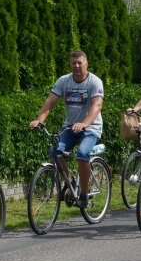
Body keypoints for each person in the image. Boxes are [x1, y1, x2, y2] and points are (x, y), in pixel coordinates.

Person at [29, 51, 104, 209]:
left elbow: (97, 105)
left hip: (91, 127)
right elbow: (49, 102)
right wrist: (39, 120)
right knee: (54, 152)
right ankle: (69, 180)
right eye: (73, 63)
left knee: (82, 154)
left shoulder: (94, 82)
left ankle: (83, 195)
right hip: (70, 127)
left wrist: (84, 123)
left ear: (86, 64)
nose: (76, 66)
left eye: (79, 63)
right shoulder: (64, 81)